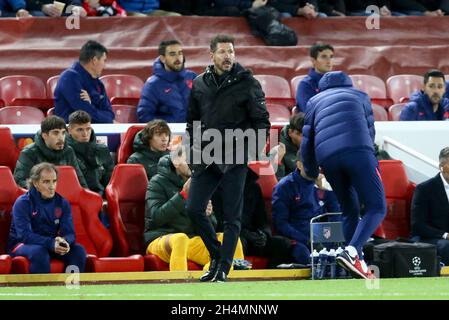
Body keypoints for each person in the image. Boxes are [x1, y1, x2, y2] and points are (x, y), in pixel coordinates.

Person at [185, 34, 270, 282]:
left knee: (232, 217)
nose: (227, 56)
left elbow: (262, 122)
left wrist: (250, 151)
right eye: (222, 52)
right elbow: (192, 122)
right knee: (194, 209)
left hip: (235, 156)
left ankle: (223, 268)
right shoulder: (199, 83)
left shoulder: (248, 83)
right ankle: (217, 256)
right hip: (206, 155)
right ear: (211, 55)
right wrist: (193, 154)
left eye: (231, 51)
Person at [300, 71, 386, 279]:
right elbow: (369, 131)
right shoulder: (360, 95)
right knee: (377, 206)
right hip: (357, 151)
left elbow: (307, 139)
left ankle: (355, 264)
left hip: (328, 158)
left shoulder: (313, 101)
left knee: (349, 209)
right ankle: (353, 251)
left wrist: (311, 171)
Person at [144, 147, 245, 271]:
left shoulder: (199, 183)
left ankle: (221, 280)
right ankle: (180, 286)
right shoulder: (157, 182)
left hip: (193, 239)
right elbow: (157, 217)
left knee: (231, 239)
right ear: (176, 162)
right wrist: (183, 195)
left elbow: (211, 227)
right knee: (180, 239)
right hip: (161, 238)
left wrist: (208, 215)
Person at [8, 163, 86, 274]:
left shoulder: (62, 203)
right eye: (46, 182)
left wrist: (64, 241)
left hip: (50, 244)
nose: (52, 186)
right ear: (35, 183)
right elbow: (24, 236)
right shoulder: (23, 203)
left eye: (54, 181)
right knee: (39, 252)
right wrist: (51, 243)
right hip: (21, 245)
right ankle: (42, 290)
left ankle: (71, 288)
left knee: (78, 251)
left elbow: (70, 233)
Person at [272, 150, 340, 265]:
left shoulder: (325, 184)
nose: (316, 168)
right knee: (304, 255)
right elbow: (281, 224)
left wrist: (336, 238)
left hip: (323, 236)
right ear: (299, 165)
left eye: (318, 164)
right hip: (297, 238)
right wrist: (308, 240)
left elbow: (336, 214)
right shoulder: (285, 186)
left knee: (340, 254)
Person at [14, 116, 88, 190]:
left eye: (63, 133)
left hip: (65, 197)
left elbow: (80, 182)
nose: (61, 138)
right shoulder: (28, 153)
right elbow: (20, 183)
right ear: (45, 135)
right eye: (56, 133)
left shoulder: (69, 151)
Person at [54, 40, 115, 124]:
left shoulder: (98, 83)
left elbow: (110, 114)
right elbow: (84, 115)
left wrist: (91, 103)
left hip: (94, 129)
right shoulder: (69, 77)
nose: (105, 65)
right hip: (70, 132)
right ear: (94, 60)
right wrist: (105, 117)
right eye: (104, 60)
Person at [137, 40, 197, 123]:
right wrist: (170, 126)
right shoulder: (153, 84)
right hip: (168, 134)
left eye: (180, 53)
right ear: (163, 58)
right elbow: (144, 116)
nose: (178, 58)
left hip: (195, 132)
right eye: (172, 54)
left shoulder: (192, 77)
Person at [411, 147, 449, 265]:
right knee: (446, 245)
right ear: (441, 166)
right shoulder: (424, 189)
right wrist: (445, 235)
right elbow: (417, 225)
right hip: (430, 238)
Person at [66, 110, 114, 197]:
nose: (85, 134)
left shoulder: (102, 150)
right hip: (74, 199)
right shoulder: (65, 152)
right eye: (79, 130)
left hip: (100, 198)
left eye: (88, 129)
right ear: (69, 130)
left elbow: (110, 181)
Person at [296, 42, 334, 112]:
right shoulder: (305, 84)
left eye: (331, 57)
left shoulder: (338, 82)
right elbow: (308, 112)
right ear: (313, 60)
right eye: (324, 57)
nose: (329, 61)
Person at [270, 112, 305, 180]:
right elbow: (276, 183)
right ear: (290, 132)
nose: (304, 139)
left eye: (306, 134)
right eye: (300, 135)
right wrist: (278, 162)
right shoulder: (276, 151)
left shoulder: (316, 144)